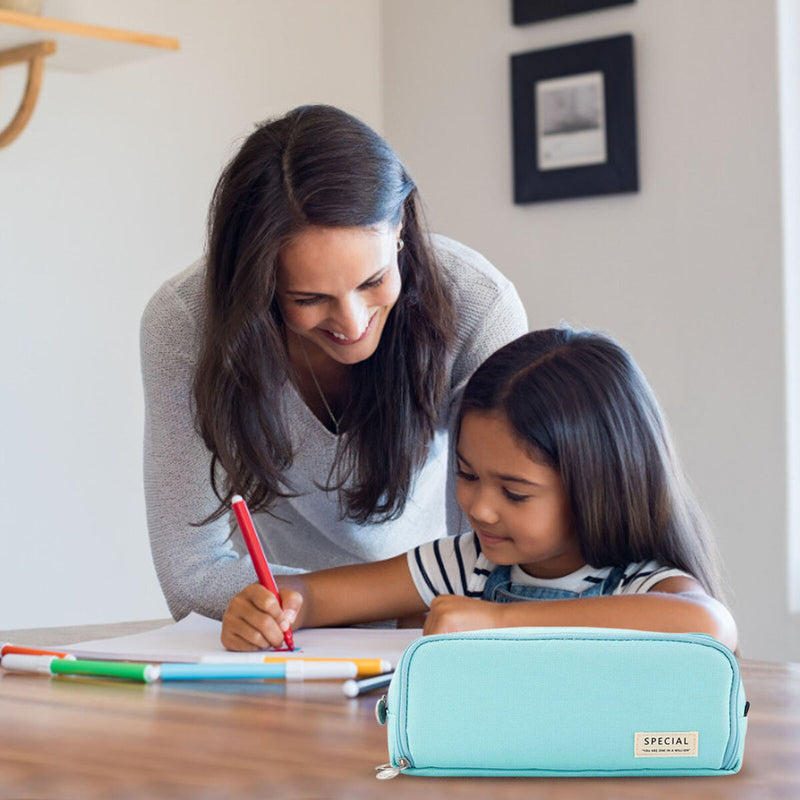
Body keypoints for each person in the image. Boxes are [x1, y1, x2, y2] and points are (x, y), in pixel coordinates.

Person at [140, 105, 528, 621]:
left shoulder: (480, 306)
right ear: (257, 284)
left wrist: (326, 601)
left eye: (373, 282)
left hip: (431, 620)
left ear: (401, 229)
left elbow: (494, 550)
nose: (351, 323)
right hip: (280, 633)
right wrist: (280, 610)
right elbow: (190, 573)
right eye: (307, 298)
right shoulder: (186, 322)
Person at [221, 327, 738, 653]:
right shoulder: (465, 565)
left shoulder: (641, 587)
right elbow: (317, 596)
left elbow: (707, 625)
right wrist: (279, 608)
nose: (480, 509)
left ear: (598, 486)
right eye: (466, 475)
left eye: (515, 493)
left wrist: (498, 620)